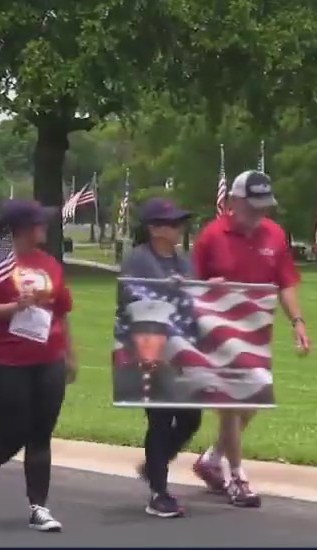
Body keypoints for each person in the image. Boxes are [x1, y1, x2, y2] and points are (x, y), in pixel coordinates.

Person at [189, 171, 310, 508]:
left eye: (265, 206)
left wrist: (297, 321)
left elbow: (285, 281)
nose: (260, 213)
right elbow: (190, 286)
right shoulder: (211, 236)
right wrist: (207, 288)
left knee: (251, 402)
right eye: (253, 206)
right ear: (234, 202)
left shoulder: (274, 235)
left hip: (256, 333)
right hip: (218, 333)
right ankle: (237, 477)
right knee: (231, 403)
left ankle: (212, 459)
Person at [0, 199, 78, 533]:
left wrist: (69, 354)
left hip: (48, 357)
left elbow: (62, 310)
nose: (45, 227)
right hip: (5, 359)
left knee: (41, 434)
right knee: (13, 434)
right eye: (40, 222)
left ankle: (38, 507)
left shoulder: (50, 264)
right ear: (24, 228)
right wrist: (14, 306)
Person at [116, 197, 201, 518]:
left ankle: (154, 466)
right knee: (160, 419)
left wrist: (207, 288)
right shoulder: (138, 260)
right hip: (149, 349)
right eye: (173, 223)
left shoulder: (183, 261)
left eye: (180, 223)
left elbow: (193, 297)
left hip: (180, 351)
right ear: (154, 229)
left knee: (191, 418)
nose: (179, 228)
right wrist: (168, 290)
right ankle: (159, 493)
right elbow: (131, 296)